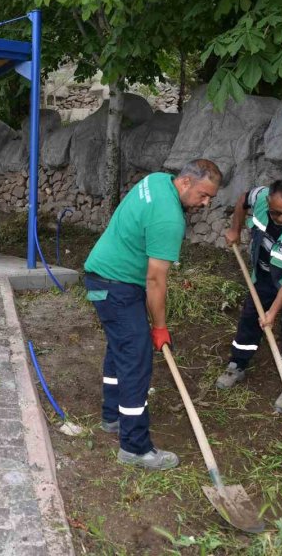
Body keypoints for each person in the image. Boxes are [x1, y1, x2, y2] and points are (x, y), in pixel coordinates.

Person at [84, 159, 222, 470]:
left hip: (100, 277)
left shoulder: (158, 180)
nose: (206, 203)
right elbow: (156, 280)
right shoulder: (169, 219)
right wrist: (160, 327)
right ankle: (135, 447)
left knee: (121, 347)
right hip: (117, 285)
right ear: (185, 182)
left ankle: (113, 416)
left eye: (211, 197)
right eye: (203, 195)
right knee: (136, 359)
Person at [217, 180, 282, 413]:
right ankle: (237, 365)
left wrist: (272, 313)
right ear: (267, 201)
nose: (281, 219)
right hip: (264, 273)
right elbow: (243, 199)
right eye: (276, 212)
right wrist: (236, 228)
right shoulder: (259, 197)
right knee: (250, 316)